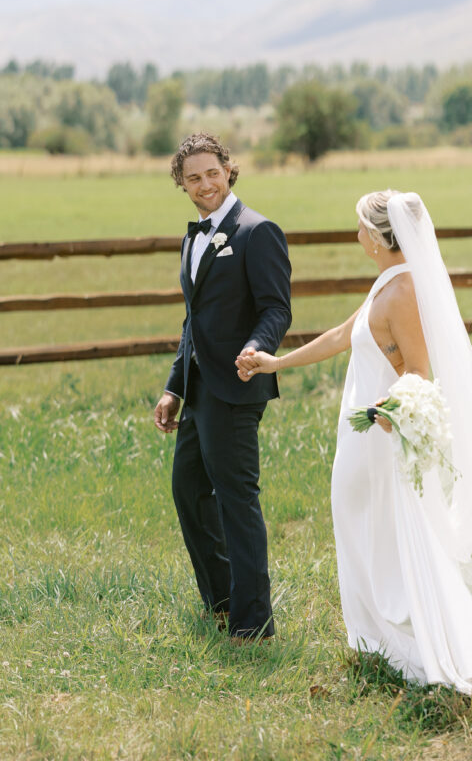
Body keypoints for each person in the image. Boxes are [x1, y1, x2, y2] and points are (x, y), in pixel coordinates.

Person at [236, 190, 472, 690]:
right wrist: (275, 362)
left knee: (388, 535)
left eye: (361, 228)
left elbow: (418, 369)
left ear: (380, 236)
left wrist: (390, 410)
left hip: (380, 436)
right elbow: (342, 335)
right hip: (360, 436)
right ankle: (373, 641)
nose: (356, 236)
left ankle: (406, 643)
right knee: (360, 527)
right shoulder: (385, 284)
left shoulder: (404, 291)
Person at [154, 133, 291, 642]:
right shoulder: (193, 237)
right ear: (182, 184)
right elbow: (194, 319)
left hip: (237, 385)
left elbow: (276, 307)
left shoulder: (258, 231)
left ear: (228, 170)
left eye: (212, 172)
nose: (205, 183)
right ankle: (223, 602)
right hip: (197, 389)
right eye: (193, 177)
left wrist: (257, 348)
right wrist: (173, 386)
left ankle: (253, 623)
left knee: (236, 499)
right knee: (188, 490)